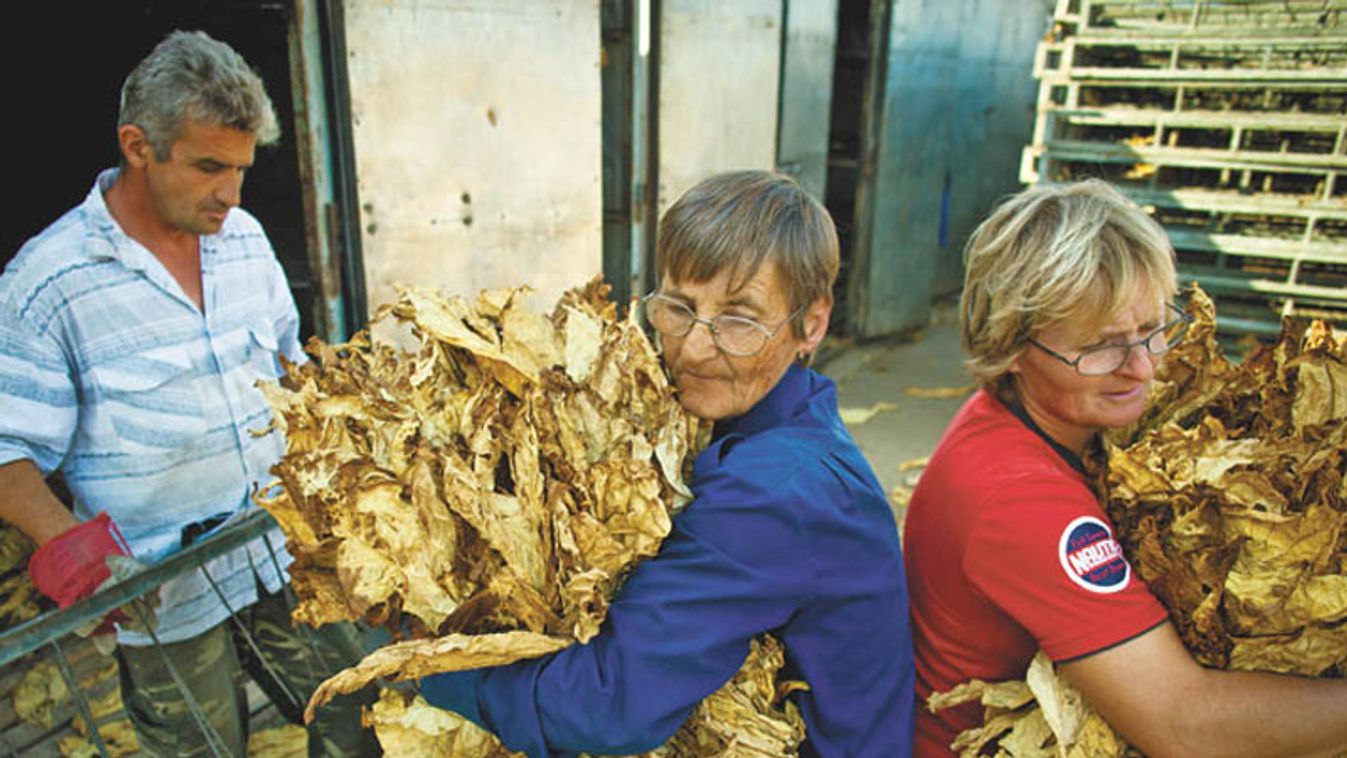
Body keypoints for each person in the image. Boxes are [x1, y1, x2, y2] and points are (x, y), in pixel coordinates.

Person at [419, 170, 915, 756]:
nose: (694, 347)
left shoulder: (774, 493)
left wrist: (426, 666)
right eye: (678, 307)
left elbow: (607, 706)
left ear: (812, 323)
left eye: (740, 320)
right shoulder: (778, 417)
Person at [0, 30, 377, 757]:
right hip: (161, 590)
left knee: (359, 726)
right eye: (209, 167)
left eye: (240, 168)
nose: (231, 194)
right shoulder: (49, 283)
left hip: (275, 552)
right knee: (200, 749)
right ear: (138, 146)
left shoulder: (245, 240)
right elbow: (7, 447)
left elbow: (288, 366)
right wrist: (82, 557)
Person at [903, 179, 1347, 757]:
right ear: (1009, 347)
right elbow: (1185, 726)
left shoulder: (1028, 418)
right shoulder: (1019, 499)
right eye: (1104, 346)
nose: (1141, 368)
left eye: (1151, 331)